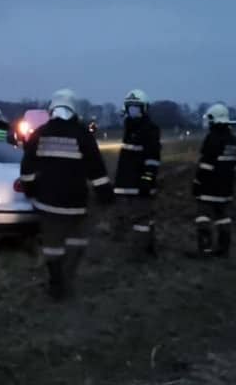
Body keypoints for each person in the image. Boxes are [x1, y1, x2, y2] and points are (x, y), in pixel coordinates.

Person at [20, 88, 113, 299]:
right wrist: (105, 194)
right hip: (75, 203)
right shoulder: (83, 135)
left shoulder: (39, 134)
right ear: (74, 109)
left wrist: (30, 191)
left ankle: (56, 282)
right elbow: (96, 170)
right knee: (77, 242)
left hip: (47, 203)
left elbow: (26, 170)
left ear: (51, 109)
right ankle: (66, 279)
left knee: (52, 246)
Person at [113, 89, 162, 258]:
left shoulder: (150, 129)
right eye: (130, 106)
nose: (133, 110)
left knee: (142, 219)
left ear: (145, 108)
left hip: (141, 184)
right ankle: (148, 249)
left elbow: (153, 157)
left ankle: (140, 253)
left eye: (137, 107)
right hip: (126, 183)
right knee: (138, 219)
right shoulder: (129, 127)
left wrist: (147, 179)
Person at [193, 103, 236, 257]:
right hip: (226, 187)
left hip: (209, 186)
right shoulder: (234, 141)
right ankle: (223, 249)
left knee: (203, 216)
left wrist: (197, 182)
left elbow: (206, 165)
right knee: (223, 217)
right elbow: (234, 164)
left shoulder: (212, 139)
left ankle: (205, 250)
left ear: (214, 120)